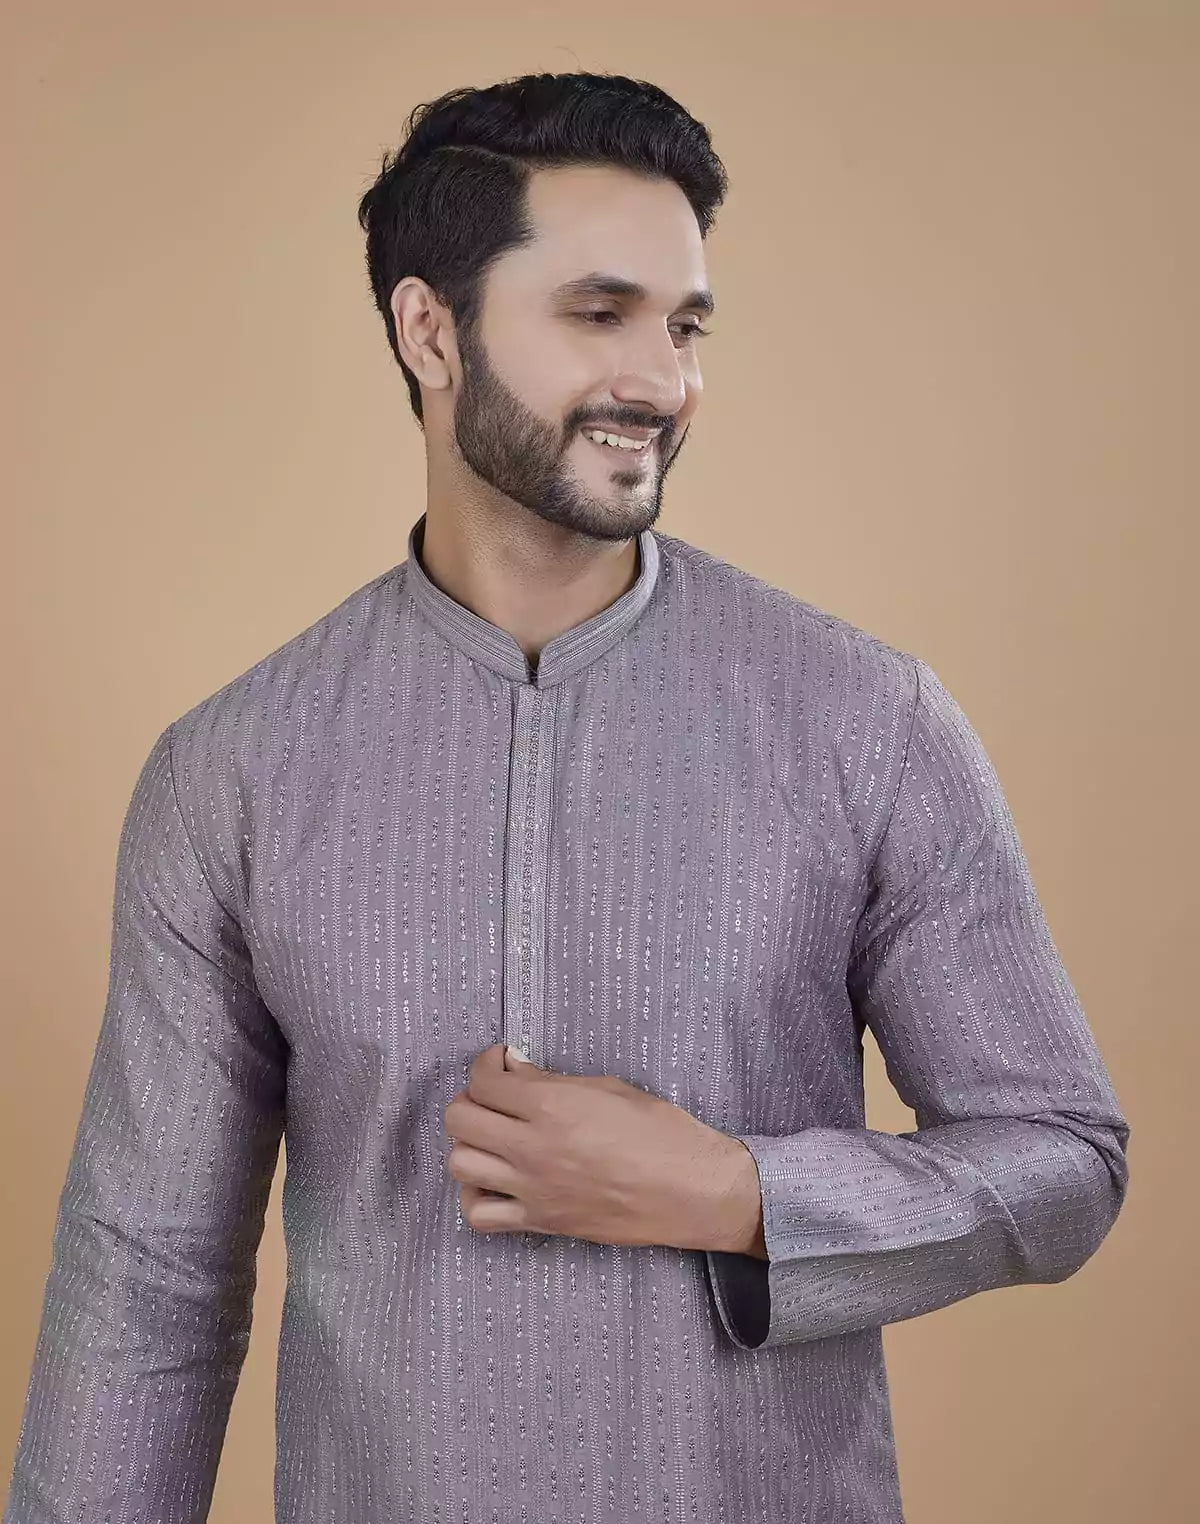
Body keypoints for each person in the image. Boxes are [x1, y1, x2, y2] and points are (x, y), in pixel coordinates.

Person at [3, 70, 1130, 1524]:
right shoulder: (233, 771)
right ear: (430, 331)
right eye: (600, 314)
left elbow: (1063, 1160)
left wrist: (742, 1197)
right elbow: (149, 1280)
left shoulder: (867, 722)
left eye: (685, 326)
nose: (661, 380)